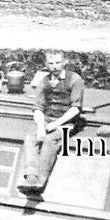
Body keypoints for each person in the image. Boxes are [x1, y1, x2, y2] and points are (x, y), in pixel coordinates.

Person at [17, 51, 84, 193]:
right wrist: (41, 127)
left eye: (58, 62)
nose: (54, 66)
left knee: (49, 140)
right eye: (51, 63)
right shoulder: (44, 81)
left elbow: (75, 109)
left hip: (67, 122)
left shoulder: (75, 80)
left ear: (64, 62)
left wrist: (57, 123)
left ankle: (41, 180)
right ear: (47, 65)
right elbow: (38, 108)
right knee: (31, 137)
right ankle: (31, 177)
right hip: (47, 119)